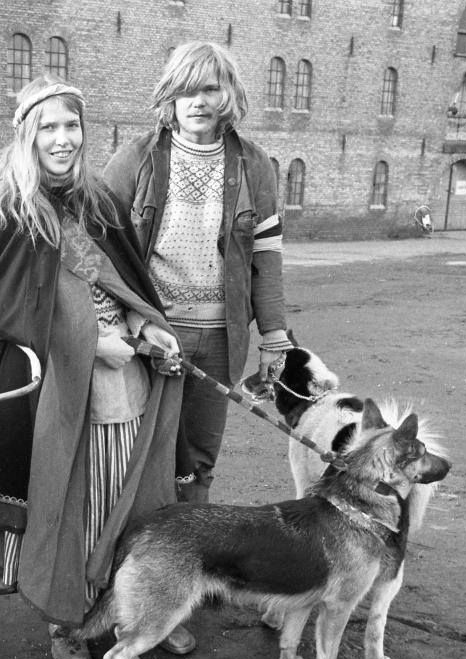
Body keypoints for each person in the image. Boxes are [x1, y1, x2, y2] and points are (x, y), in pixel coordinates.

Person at [0, 76, 193, 659]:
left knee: (124, 500)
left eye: (71, 126)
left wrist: (144, 331)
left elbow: (127, 284)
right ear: (26, 135)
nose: (62, 139)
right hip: (55, 392)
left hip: (122, 385)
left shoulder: (99, 202)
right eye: (49, 128)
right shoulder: (2, 211)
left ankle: (128, 613)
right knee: (69, 507)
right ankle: (66, 619)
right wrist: (90, 344)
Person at [104, 41, 292, 506]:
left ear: (228, 94)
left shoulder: (255, 164)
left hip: (221, 340)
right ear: (170, 96)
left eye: (209, 89)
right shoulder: (135, 159)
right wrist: (125, 322)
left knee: (199, 462)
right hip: (151, 334)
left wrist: (274, 339)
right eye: (186, 90)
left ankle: (189, 564)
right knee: (139, 453)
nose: (198, 101)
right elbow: (99, 251)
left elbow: (265, 258)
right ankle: (131, 566)